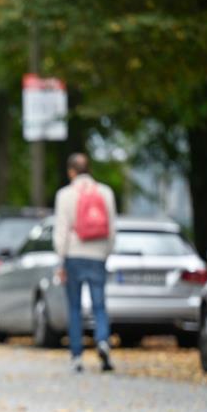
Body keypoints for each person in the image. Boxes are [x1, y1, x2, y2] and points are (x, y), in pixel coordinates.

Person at [52, 152, 117, 373]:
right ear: (89, 169)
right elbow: (112, 229)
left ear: (71, 171)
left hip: (74, 254)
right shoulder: (105, 192)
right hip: (98, 254)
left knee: (74, 307)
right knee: (99, 305)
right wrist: (106, 253)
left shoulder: (65, 195)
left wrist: (60, 261)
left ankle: (77, 356)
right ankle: (102, 341)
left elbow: (61, 230)